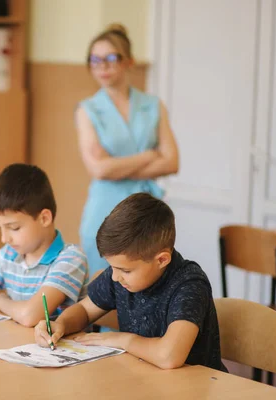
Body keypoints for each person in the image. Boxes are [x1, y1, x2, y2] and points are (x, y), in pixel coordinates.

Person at [35, 193, 226, 372]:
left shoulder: (189, 284)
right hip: (144, 379)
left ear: (161, 260)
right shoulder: (120, 275)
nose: (114, 277)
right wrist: (60, 324)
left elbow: (169, 356)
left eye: (125, 270)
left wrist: (122, 340)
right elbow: (85, 310)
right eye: (113, 267)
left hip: (194, 389)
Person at [77, 23, 179, 277]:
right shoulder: (87, 110)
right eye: (95, 60)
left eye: (111, 58)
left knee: (150, 288)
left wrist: (116, 164)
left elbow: (172, 162)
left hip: (147, 212)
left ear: (129, 61)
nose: (103, 66)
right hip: (104, 212)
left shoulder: (153, 106)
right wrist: (149, 155)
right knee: (104, 298)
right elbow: (99, 170)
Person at [0, 163, 88, 327]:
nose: (4, 238)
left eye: (13, 228)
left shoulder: (71, 259)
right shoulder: (9, 255)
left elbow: (30, 316)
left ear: (44, 218)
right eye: (0, 227)